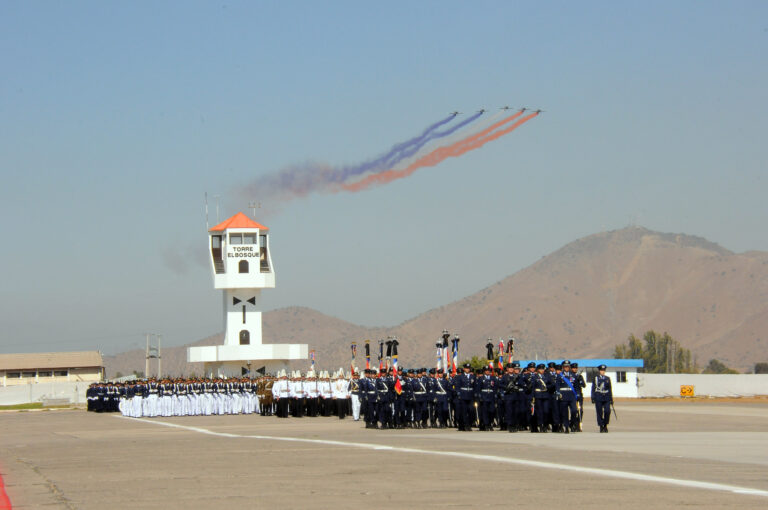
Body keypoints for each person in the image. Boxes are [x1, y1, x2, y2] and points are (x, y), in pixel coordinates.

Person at [591, 364, 613, 433]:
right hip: (598, 396)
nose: (602, 372)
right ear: (599, 371)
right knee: (599, 412)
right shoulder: (596, 378)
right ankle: (601, 426)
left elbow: (610, 389)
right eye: (601, 370)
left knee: (607, 411)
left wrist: (611, 398)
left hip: (606, 397)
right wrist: (593, 397)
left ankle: (605, 424)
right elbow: (593, 388)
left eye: (603, 370)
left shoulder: (607, 378)